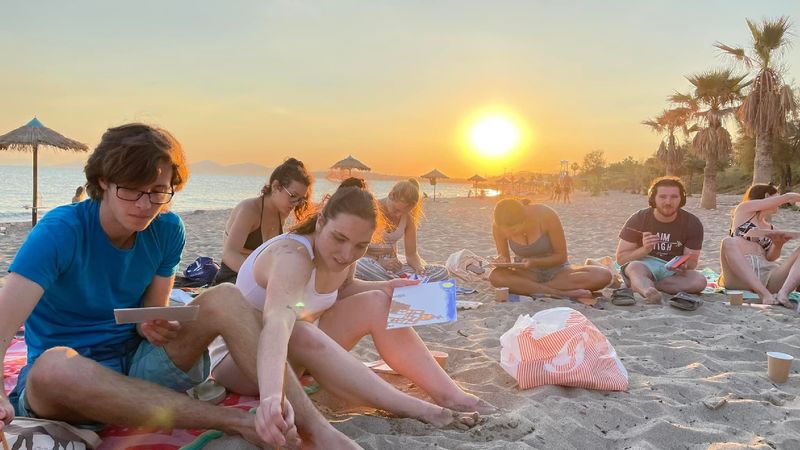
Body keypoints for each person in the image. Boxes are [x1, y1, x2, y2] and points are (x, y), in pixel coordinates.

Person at [0, 124, 357, 449]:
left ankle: (318, 428)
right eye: (131, 190)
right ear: (104, 181)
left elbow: (150, 311)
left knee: (226, 297)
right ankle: (237, 422)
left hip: (138, 367)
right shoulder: (61, 230)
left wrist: (151, 324)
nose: (144, 206)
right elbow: (5, 317)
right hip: (72, 390)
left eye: (157, 192)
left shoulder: (167, 229)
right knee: (53, 367)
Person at [209, 178, 492, 434]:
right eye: (339, 239)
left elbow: (342, 289)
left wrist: (385, 286)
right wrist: (273, 397)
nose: (347, 254)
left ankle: (451, 395)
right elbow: (277, 323)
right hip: (244, 361)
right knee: (299, 329)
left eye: (360, 245)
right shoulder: (292, 255)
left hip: (298, 356)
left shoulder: (347, 252)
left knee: (379, 301)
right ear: (320, 223)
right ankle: (418, 409)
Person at [213, 158, 312, 285]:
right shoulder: (250, 210)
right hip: (234, 276)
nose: (296, 203)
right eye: (293, 196)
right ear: (275, 187)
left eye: (300, 199)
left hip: (262, 278)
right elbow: (229, 254)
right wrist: (260, 276)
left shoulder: (281, 212)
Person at [489, 198, 613, 299]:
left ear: (524, 219)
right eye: (505, 232)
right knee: (496, 276)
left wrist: (534, 262)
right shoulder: (498, 225)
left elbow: (561, 256)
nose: (508, 235)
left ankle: (532, 289)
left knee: (603, 275)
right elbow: (504, 258)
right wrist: (501, 261)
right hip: (527, 274)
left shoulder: (545, 215)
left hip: (557, 272)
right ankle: (559, 293)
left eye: (513, 231)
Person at [615, 176, 706, 304]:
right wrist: (644, 250)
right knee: (635, 267)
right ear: (653, 198)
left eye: (674, 197)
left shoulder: (692, 223)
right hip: (643, 264)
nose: (668, 202)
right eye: (662, 197)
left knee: (699, 281)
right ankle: (648, 292)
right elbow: (621, 259)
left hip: (671, 273)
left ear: (682, 199)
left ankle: (642, 285)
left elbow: (692, 263)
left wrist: (684, 266)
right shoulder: (639, 218)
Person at [719, 184, 800, 306]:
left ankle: (783, 293)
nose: (779, 202)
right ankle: (763, 294)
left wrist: (778, 244)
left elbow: (770, 258)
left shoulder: (771, 227)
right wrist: (788, 196)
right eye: (776, 197)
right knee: (728, 242)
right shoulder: (744, 210)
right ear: (767, 196)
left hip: (767, 276)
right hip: (738, 277)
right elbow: (782, 199)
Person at [355, 179, 448, 282]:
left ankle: (395, 282)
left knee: (442, 271)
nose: (398, 215)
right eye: (396, 209)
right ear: (391, 195)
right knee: (359, 265)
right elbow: (355, 248)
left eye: (403, 212)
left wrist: (419, 268)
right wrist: (380, 262)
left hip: (394, 269)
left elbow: (411, 254)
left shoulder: (408, 218)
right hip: (370, 263)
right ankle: (399, 283)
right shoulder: (370, 209)